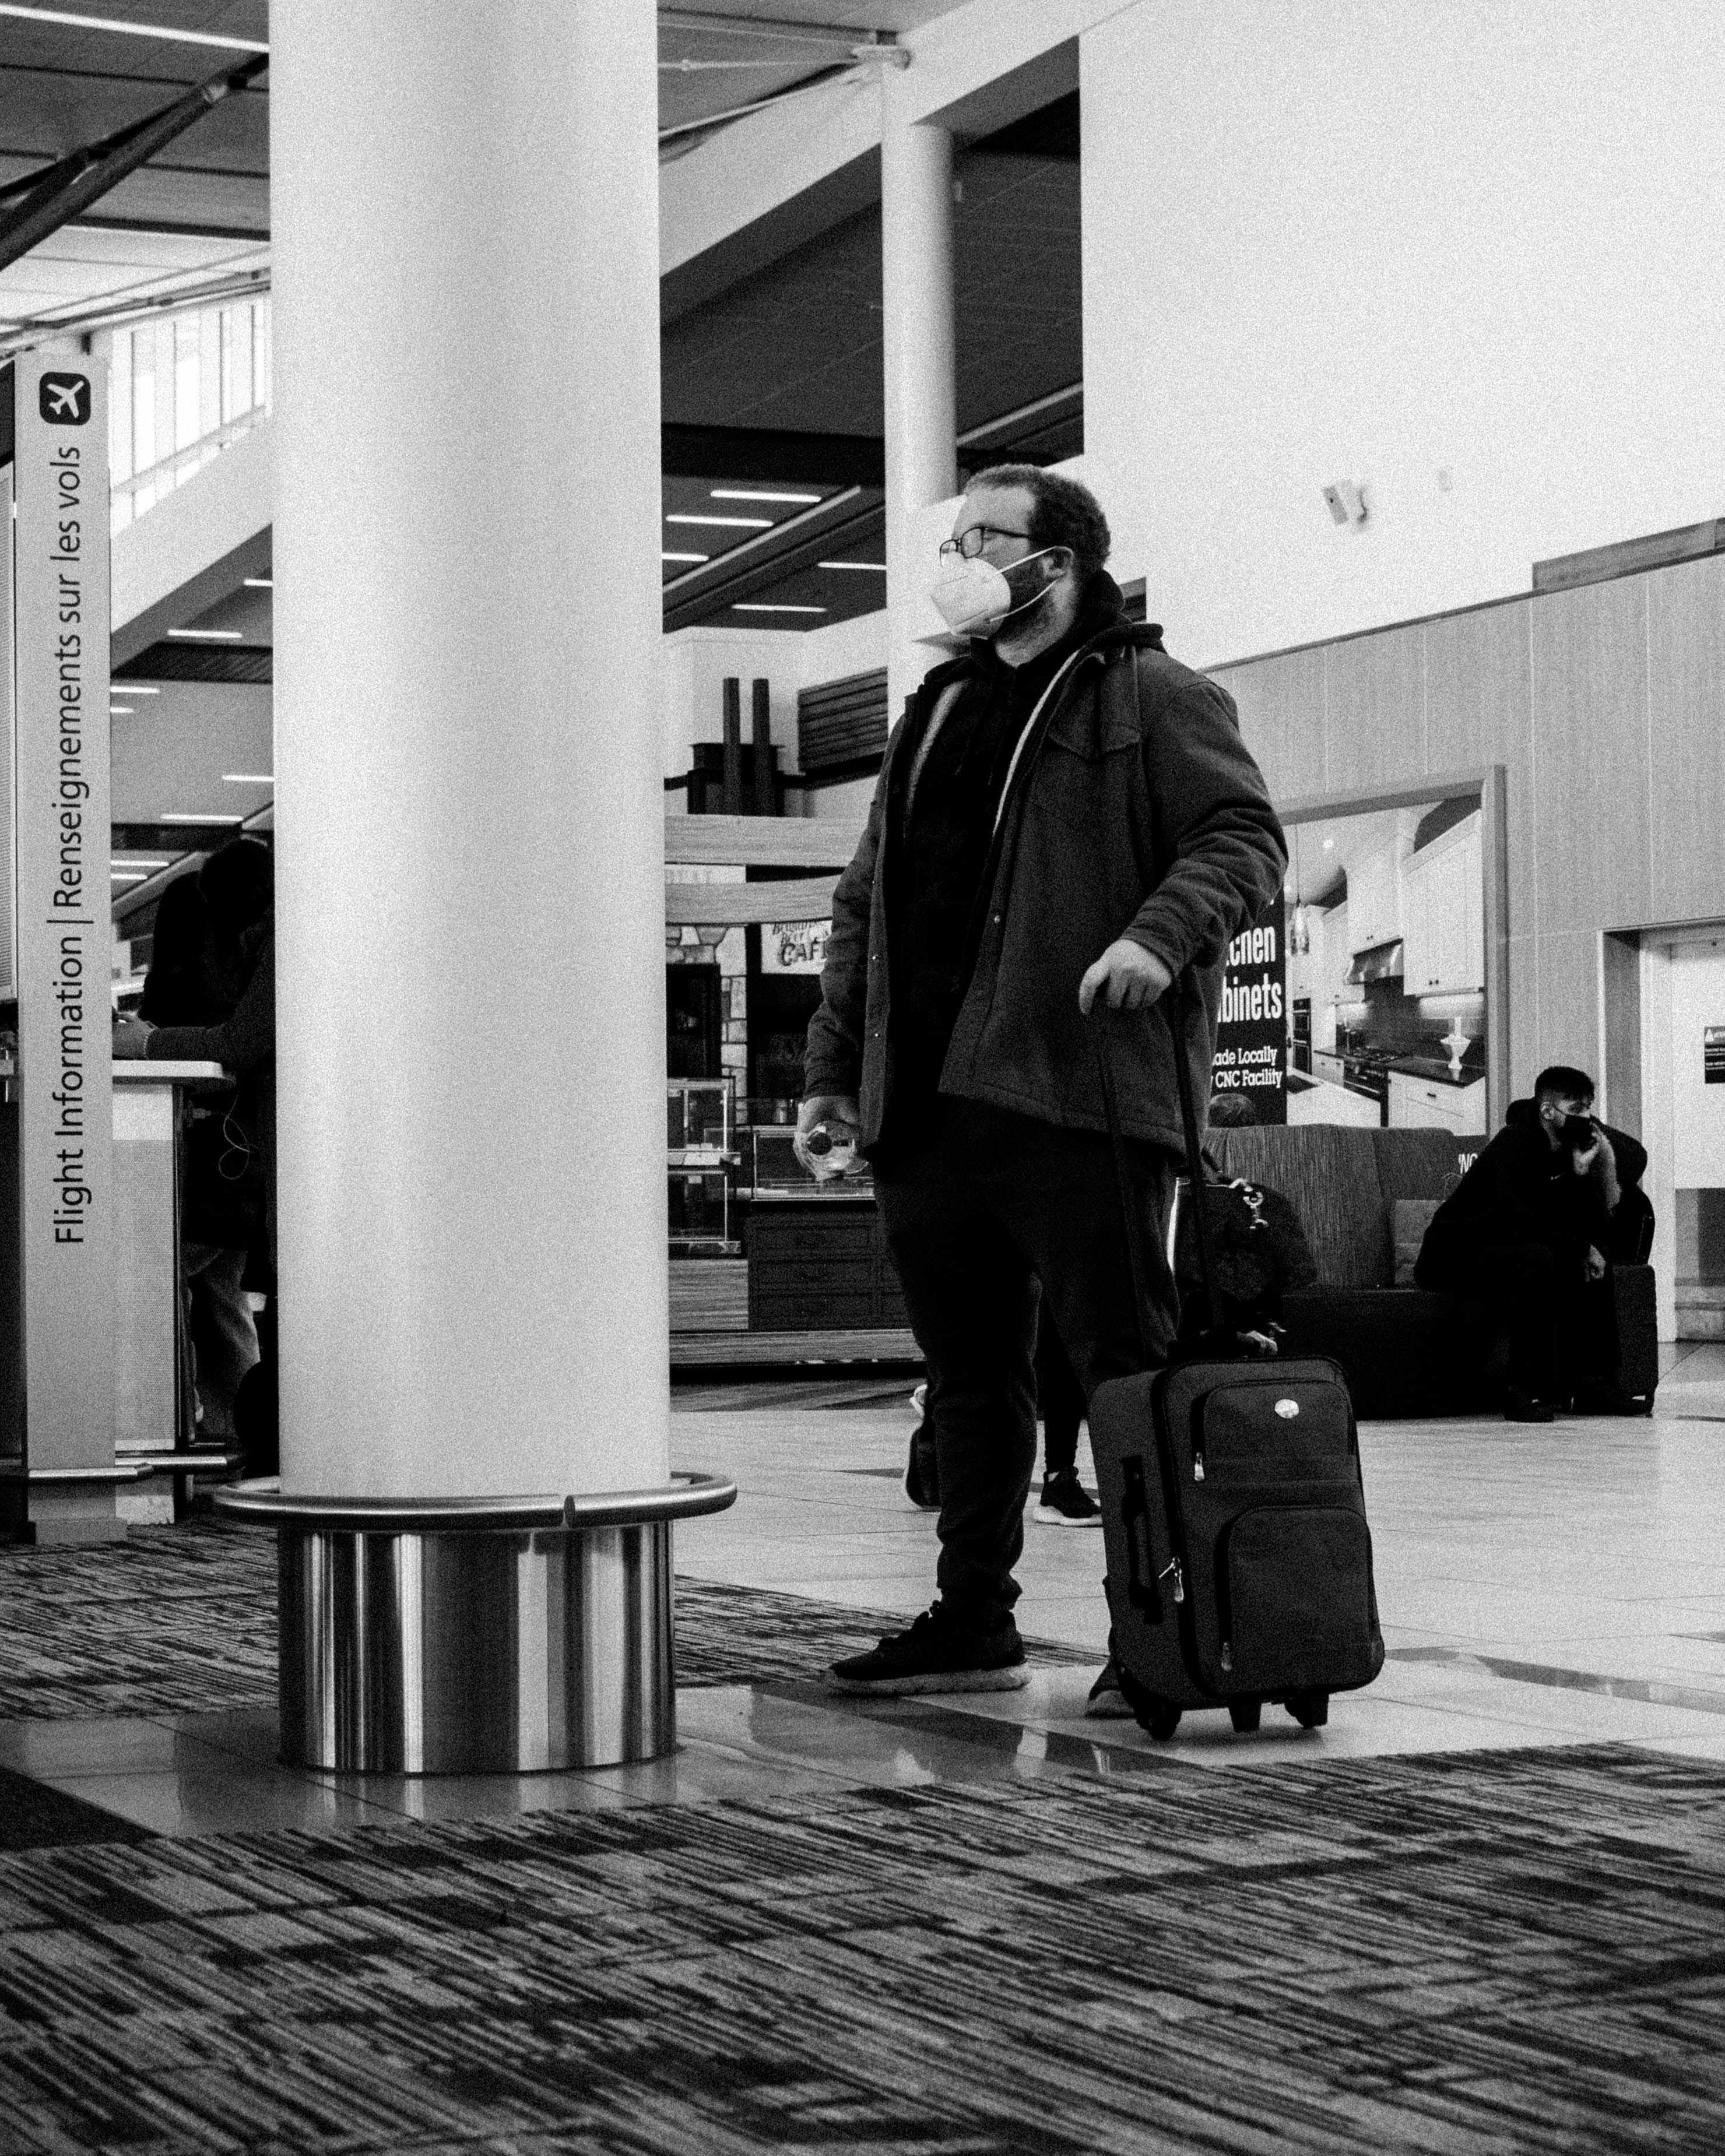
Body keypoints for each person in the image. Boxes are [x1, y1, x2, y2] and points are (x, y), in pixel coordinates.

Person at [800, 463, 1286, 1696]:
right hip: (929, 1107)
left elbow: (1243, 840)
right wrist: (831, 1070)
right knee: (965, 1380)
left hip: (1082, 1101)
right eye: (955, 537)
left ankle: (1159, 1633)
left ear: (1055, 561)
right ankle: (974, 1616)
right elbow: (868, 901)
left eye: (985, 538)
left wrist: (1153, 936)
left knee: (1123, 1369)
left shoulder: (1155, 694)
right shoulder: (937, 707)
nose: (960, 556)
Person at [114, 840, 277, 1461]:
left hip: (229, 1157)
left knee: (161, 1275)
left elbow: (238, 1044)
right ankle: (239, 1437)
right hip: (242, 1160)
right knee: (222, 1294)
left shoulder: (253, 950)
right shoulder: (254, 948)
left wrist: (146, 1046)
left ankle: (174, 1426)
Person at [1414, 1065, 1647, 1420]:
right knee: (1540, 1258)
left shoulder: (1567, 1149)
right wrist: (1580, 1246)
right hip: (1452, 1255)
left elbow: (1576, 1222)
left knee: (1593, 1261)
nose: (1585, 1118)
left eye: (1588, 1108)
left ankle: (1591, 1384)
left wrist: (1581, 1175)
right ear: (1547, 1111)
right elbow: (1517, 1220)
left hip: (1505, 1248)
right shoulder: (1515, 1142)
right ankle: (1525, 1390)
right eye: (1575, 1109)